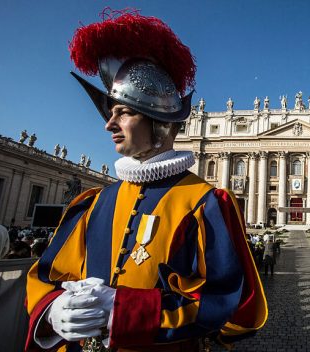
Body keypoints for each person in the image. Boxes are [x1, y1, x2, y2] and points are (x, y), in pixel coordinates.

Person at [25, 10, 267, 352]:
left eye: (122, 112)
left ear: (161, 123)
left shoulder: (205, 204)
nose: (109, 125)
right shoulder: (93, 203)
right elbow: (45, 277)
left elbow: (232, 304)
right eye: (110, 113)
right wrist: (52, 309)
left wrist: (127, 312)